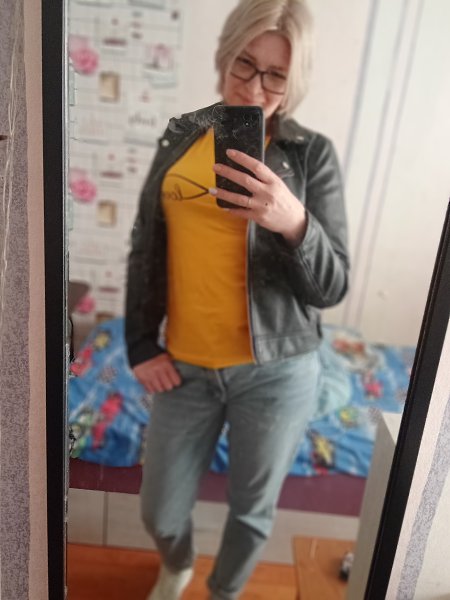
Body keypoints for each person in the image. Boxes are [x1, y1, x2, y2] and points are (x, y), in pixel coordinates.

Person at [125, 1, 349, 598]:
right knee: (159, 509)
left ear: (294, 81)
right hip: (186, 366)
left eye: (275, 75)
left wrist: (293, 221)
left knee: (251, 511)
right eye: (244, 64)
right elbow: (146, 245)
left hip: (277, 372)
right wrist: (141, 343)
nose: (253, 87)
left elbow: (332, 286)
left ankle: (224, 592)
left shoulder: (310, 155)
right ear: (225, 54)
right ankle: (177, 563)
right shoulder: (181, 133)